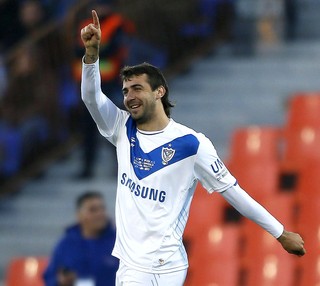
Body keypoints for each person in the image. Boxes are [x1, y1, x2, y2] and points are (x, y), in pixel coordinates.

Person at [80, 10, 306, 285]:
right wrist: (91, 58)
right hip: (133, 265)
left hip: (170, 265)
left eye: (137, 88)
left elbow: (234, 193)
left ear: (159, 92)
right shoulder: (120, 127)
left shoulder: (191, 144)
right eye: (126, 91)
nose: (129, 97)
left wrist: (280, 232)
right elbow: (91, 97)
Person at [43, 191, 118, 286]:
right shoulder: (66, 244)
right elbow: (50, 277)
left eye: (102, 208)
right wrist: (60, 281)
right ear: (79, 215)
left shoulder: (118, 242)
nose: (100, 213)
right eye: (93, 210)